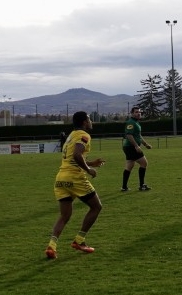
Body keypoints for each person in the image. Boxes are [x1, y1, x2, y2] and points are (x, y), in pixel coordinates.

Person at [45, 111, 106, 259]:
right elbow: (77, 156)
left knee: (64, 216)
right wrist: (89, 169)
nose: (91, 121)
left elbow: (73, 158)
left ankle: (51, 247)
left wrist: (92, 163)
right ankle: (79, 240)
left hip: (61, 179)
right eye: (89, 119)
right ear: (85, 122)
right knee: (96, 207)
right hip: (74, 178)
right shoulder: (83, 135)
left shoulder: (71, 136)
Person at [121, 106, 152, 191]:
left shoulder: (136, 122)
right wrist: (136, 146)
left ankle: (124, 187)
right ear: (132, 113)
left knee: (129, 165)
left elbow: (138, 136)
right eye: (136, 112)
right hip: (131, 147)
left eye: (139, 112)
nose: (139, 113)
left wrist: (145, 144)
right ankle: (142, 185)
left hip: (129, 147)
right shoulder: (131, 122)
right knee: (144, 163)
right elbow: (129, 135)